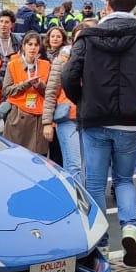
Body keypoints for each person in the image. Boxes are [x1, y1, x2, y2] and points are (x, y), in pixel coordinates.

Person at [62, 0, 136, 266]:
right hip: (132, 122)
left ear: (107, 4)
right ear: (135, 4)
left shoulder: (87, 36)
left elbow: (68, 76)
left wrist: (82, 102)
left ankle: (101, 244)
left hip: (95, 119)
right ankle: (130, 230)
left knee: (96, 183)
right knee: (124, 180)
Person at [41, 26, 80, 182]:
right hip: (67, 116)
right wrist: (47, 122)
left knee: (82, 165)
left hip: (89, 117)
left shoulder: (97, 58)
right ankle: (73, 194)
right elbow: (51, 91)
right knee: (74, 164)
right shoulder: (63, 58)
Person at [1, 32, 51, 153]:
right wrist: (26, 84)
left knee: (37, 156)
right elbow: (6, 91)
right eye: (30, 44)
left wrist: (39, 85)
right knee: (15, 154)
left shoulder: (46, 65)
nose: (33, 48)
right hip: (18, 114)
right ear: (23, 46)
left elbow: (50, 93)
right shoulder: (12, 64)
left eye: (36, 45)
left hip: (39, 116)